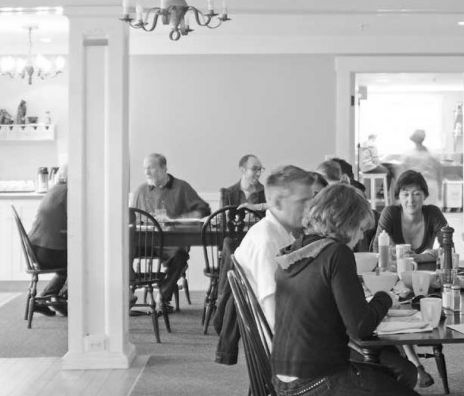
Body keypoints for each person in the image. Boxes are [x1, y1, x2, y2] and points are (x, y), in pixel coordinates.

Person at [271, 183, 419, 396]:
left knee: (399, 374)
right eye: (360, 229)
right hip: (318, 379)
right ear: (346, 222)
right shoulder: (336, 253)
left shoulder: (296, 250)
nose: (360, 237)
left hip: (283, 378)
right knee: (399, 379)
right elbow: (361, 327)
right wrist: (386, 296)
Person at [372, 169, 447, 387]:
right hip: (389, 276)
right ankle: (416, 365)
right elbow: (379, 247)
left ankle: (417, 357)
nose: (410, 199)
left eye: (416, 193)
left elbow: (446, 248)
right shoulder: (390, 213)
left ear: (424, 195)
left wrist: (416, 257)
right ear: (398, 196)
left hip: (418, 277)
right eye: (405, 193)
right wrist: (421, 257)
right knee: (401, 307)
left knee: (432, 297)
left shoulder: (432, 213)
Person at [234, 166, 323, 331]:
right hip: (285, 345)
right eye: (302, 201)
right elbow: (274, 318)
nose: (310, 208)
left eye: (311, 200)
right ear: (276, 203)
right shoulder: (267, 241)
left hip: (293, 330)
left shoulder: (282, 234)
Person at [131, 153, 211, 309]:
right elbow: (131, 218)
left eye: (151, 168)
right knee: (120, 252)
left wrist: (178, 219)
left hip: (171, 244)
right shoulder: (141, 191)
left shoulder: (181, 187)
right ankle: (127, 293)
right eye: (145, 169)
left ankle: (162, 295)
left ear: (164, 168)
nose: (146, 172)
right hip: (144, 242)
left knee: (180, 257)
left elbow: (203, 209)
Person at [28, 164, 68, 317]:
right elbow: (75, 221)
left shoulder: (56, 189)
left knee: (71, 265)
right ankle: (58, 299)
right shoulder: (68, 192)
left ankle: (46, 298)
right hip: (46, 250)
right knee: (81, 263)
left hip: (36, 248)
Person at [402, 129, 443, 206]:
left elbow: (404, 174)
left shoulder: (409, 155)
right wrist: (440, 190)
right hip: (431, 186)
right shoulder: (432, 154)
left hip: (417, 186)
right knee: (430, 211)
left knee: (419, 213)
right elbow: (439, 173)